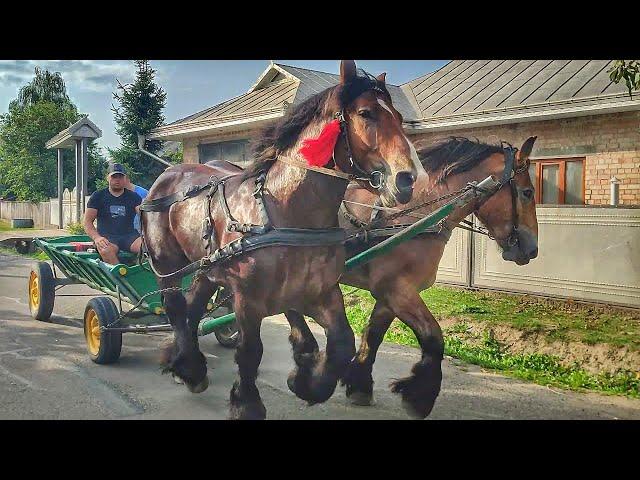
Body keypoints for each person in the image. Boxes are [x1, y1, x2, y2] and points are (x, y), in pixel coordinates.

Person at [83, 163, 143, 264]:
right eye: (114, 176)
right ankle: (120, 277)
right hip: (107, 237)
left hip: (130, 237)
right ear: (108, 178)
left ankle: (145, 275)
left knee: (152, 247)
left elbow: (144, 217)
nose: (117, 180)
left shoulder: (134, 197)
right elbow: (87, 222)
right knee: (105, 250)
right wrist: (97, 238)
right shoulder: (98, 196)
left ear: (125, 178)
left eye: (120, 177)